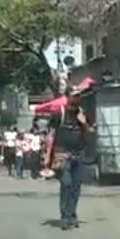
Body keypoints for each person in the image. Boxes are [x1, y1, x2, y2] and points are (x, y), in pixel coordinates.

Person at [46, 87, 92, 231]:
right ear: (67, 97)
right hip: (62, 153)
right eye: (75, 96)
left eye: (79, 96)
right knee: (66, 183)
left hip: (79, 153)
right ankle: (65, 216)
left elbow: (87, 135)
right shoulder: (60, 113)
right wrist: (48, 156)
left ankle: (72, 214)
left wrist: (84, 123)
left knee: (76, 186)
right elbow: (51, 135)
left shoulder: (81, 113)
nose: (78, 98)